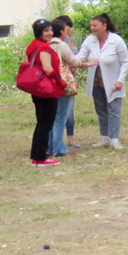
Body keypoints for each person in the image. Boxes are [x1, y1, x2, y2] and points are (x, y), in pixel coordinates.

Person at [75, 12, 128, 149]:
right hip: (96, 82)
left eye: (95, 25)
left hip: (113, 82)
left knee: (114, 109)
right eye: (91, 26)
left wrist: (120, 80)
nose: (92, 28)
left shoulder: (116, 40)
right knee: (101, 110)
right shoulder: (90, 40)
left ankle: (115, 138)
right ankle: (105, 136)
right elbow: (80, 57)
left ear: (104, 26)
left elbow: (125, 62)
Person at [24, 19, 64, 166]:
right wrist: (59, 80)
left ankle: (37, 156)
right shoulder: (44, 48)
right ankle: (41, 157)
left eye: (51, 30)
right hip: (47, 89)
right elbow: (47, 68)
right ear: (39, 32)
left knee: (41, 122)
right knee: (46, 123)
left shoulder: (33, 45)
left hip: (37, 88)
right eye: (46, 30)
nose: (50, 33)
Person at [47, 16, 80, 158]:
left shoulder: (46, 45)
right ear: (61, 31)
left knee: (51, 117)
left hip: (48, 84)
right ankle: (59, 147)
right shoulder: (61, 45)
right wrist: (87, 63)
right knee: (61, 117)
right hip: (61, 83)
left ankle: (49, 147)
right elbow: (74, 60)